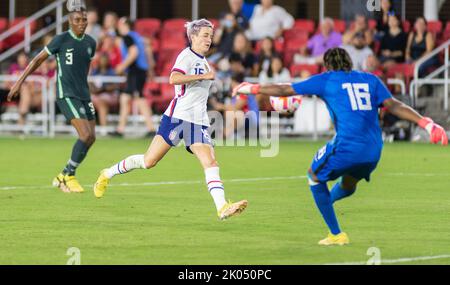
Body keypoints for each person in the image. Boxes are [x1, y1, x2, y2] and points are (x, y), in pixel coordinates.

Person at [232, 47, 448, 245]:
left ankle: (336, 234)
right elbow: (394, 105)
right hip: (374, 150)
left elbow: (285, 89)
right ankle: (329, 202)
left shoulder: (326, 80)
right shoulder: (371, 80)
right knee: (349, 182)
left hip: (347, 146)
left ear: (327, 66)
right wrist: (427, 124)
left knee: (313, 177)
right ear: (350, 63)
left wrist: (252, 87)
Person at [94, 19, 248, 220]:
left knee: (210, 162)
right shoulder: (186, 56)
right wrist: (200, 77)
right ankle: (107, 173)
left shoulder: (204, 61)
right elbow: (173, 78)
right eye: (204, 35)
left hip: (198, 122)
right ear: (193, 37)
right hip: (177, 118)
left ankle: (222, 207)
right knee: (149, 161)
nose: (208, 40)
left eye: (210, 36)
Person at [7, 3, 98, 193]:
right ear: (69, 22)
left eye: (84, 20)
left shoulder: (91, 43)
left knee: (91, 138)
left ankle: (63, 174)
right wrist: (19, 83)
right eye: (77, 20)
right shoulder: (61, 40)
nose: (81, 23)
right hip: (66, 94)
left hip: (83, 94)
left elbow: (83, 69)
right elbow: (37, 60)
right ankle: (69, 176)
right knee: (85, 135)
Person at [113, 17, 156, 137]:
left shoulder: (127, 37)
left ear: (124, 25)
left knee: (139, 97)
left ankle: (151, 129)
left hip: (135, 71)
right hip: (139, 71)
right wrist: (150, 68)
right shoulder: (137, 36)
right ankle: (120, 129)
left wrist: (122, 66)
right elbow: (147, 51)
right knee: (125, 98)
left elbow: (134, 52)